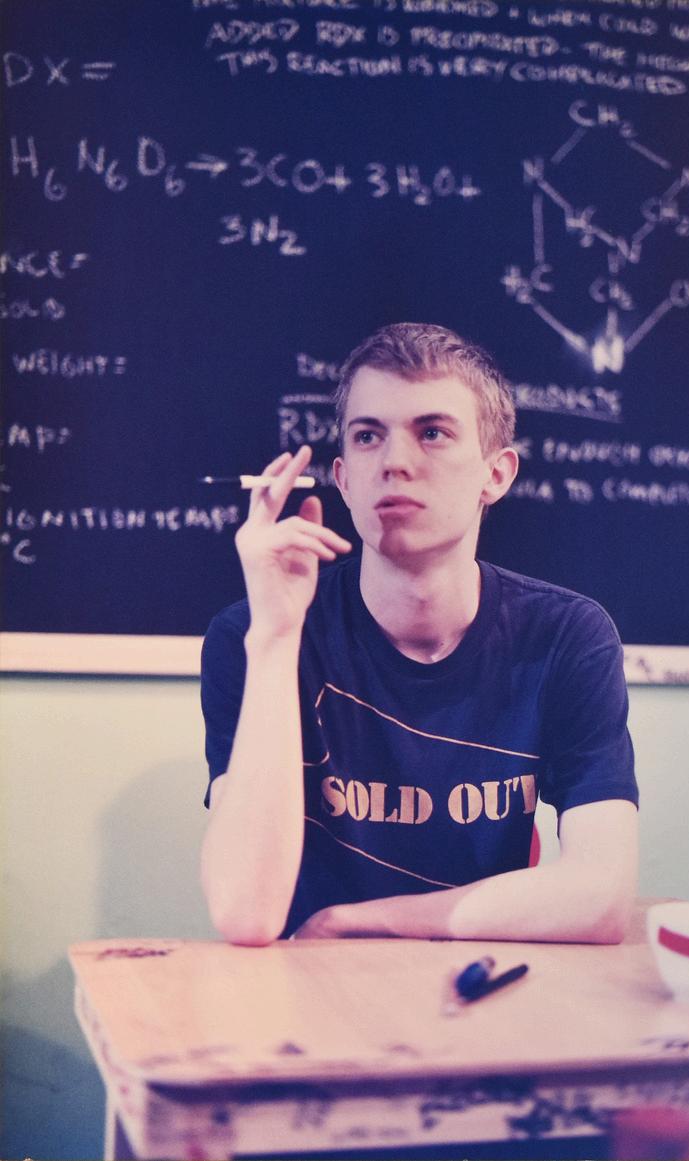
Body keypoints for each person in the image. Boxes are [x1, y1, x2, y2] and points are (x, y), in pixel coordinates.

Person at [200, 322, 638, 946]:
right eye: (367, 436)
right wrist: (274, 637)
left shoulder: (565, 636)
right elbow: (245, 915)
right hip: (308, 988)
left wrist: (363, 922)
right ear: (343, 478)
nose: (394, 463)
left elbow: (602, 896)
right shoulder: (249, 634)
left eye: (432, 433)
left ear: (496, 474)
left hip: (482, 978)